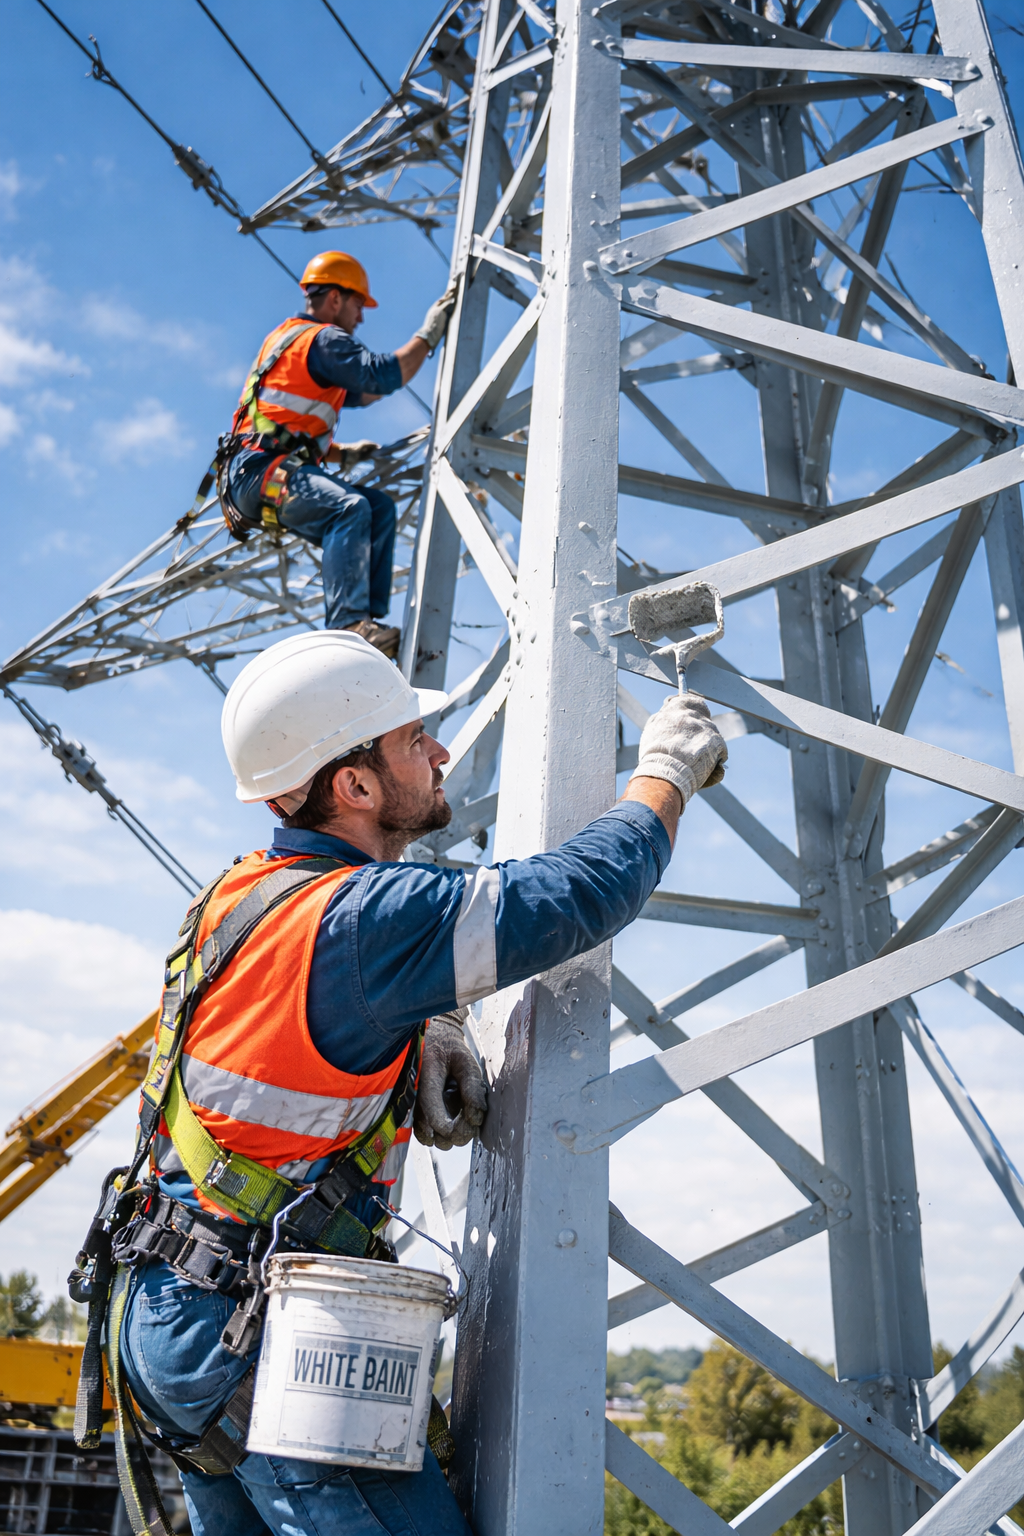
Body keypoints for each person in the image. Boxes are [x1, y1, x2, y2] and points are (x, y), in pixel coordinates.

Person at [95, 630, 728, 1536]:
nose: (437, 754)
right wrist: (664, 774)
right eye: (411, 741)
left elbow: (296, 1021)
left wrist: (422, 1017)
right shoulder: (370, 920)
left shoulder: (240, 894)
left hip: (169, 1314)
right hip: (261, 1339)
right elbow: (581, 895)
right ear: (352, 786)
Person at [219, 251, 458, 656]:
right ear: (335, 299)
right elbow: (380, 375)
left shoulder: (292, 342)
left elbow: (345, 399)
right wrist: (428, 336)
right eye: (358, 304)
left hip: (260, 468)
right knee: (348, 508)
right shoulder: (323, 339)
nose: (361, 317)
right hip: (262, 472)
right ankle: (350, 625)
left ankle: (369, 625)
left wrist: (341, 455)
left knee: (377, 506)